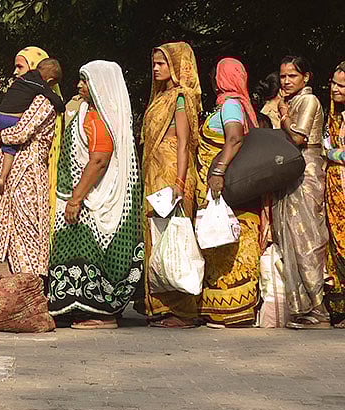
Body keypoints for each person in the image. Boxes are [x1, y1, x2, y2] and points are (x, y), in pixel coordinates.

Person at [47, 60, 143, 329]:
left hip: (92, 200)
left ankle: (100, 313)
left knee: (91, 253)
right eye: (80, 79)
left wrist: (76, 198)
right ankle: (77, 307)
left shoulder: (100, 120)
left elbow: (99, 160)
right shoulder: (87, 113)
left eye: (85, 81)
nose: (79, 86)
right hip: (79, 196)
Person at [137, 42, 202, 328]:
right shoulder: (159, 98)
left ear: (177, 67)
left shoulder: (180, 98)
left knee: (176, 239)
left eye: (161, 63)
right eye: (154, 63)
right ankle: (161, 307)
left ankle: (184, 311)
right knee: (157, 237)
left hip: (174, 175)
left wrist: (179, 181)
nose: (155, 68)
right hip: (155, 174)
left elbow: (184, 143)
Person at [0, 47, 64, 277]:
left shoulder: (44, 101)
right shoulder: (22, 98)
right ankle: (21, 289)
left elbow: (20, 133)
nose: (15, 73)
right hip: (11, 172)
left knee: (28, 228)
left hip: (27, 173)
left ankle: (32, 286)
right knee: (12, 230)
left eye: (20, 67)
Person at [196, 57, 262, 327]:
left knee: (229, 243)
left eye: (216, 75)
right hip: (228, 190)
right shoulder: (234, 105)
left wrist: (218, 170)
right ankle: (226, 310)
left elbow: (233, 139)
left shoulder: (232, 105)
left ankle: (233, 310)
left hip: (226, 186)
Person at [274, 55, 330, 329]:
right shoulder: (292, 101)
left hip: (306, 173)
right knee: (292, 240)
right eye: (283, 76)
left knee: (306, 240)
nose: (286, 81)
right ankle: (302, 308)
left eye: (292, 76)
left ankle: (317, 309)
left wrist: (284, 116)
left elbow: (298, 137)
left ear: (306, 77)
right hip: (291, 173)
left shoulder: (308, 101)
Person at [0, 58, 64, 195]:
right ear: (50, 81)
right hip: (22, 174)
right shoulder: (42, 94)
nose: (16, 72)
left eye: (19, 67)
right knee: (10, 148)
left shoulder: (22, 81)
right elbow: (19, 134)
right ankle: (2, 177)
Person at [322, 62, 345, 327]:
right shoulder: (333, 116)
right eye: (334, 83)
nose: (335, 89)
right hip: (334, 191)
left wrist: (328, 154)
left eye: (342, 85)